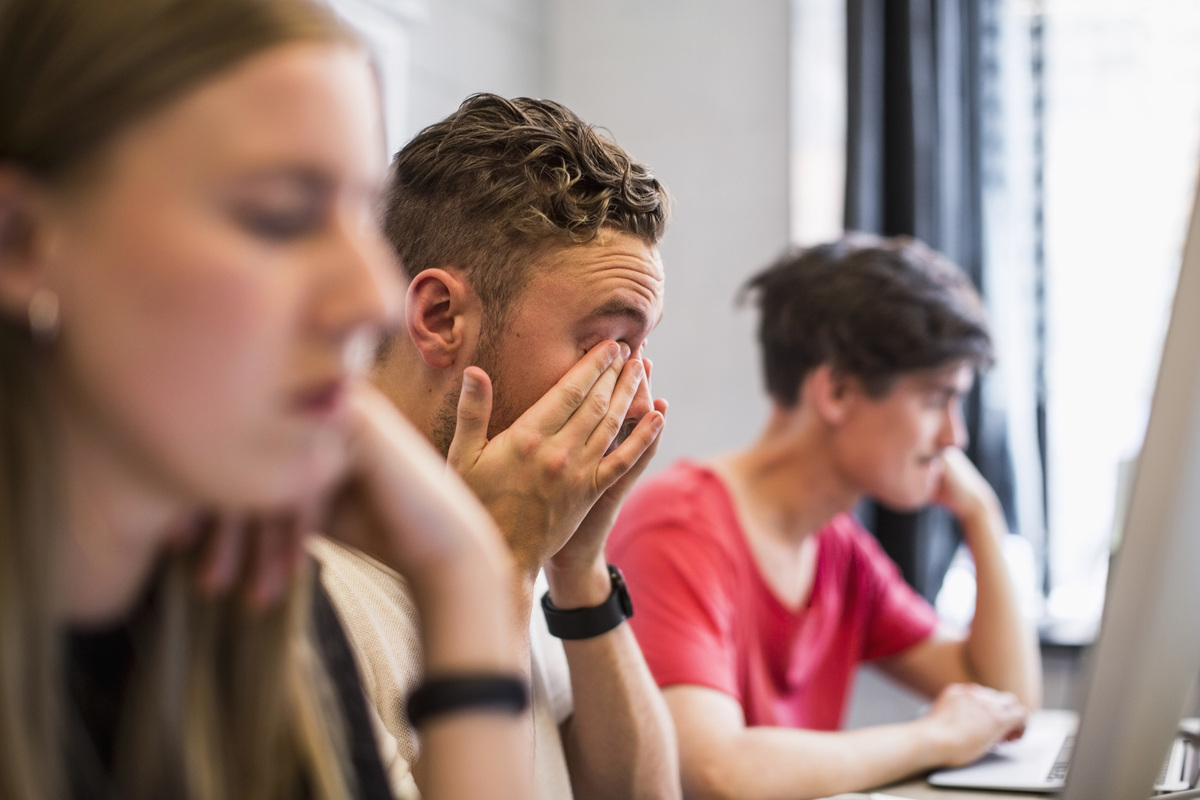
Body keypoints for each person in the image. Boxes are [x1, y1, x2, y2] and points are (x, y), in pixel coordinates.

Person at [0, 2, 531, 799]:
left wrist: (466, 583)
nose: (375, 298)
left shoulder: (252, 607)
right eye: (280, 216)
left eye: (363, 217)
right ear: (20, 241)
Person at [314, 93, 681, 800]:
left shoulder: (519, 526)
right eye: (606, 347)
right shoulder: (310, 594)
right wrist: (503, 567)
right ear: (441, 317)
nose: (633, 401)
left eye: (639, 353)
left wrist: (578, 569)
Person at [607, 233, 1043, 800]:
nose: (953, 437)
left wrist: (982, 515)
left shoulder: (839, 548)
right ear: (836, 390)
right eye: (937, 399)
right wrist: (933, 738)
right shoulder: (678, 524)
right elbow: (715, 771)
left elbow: (1002, 702)